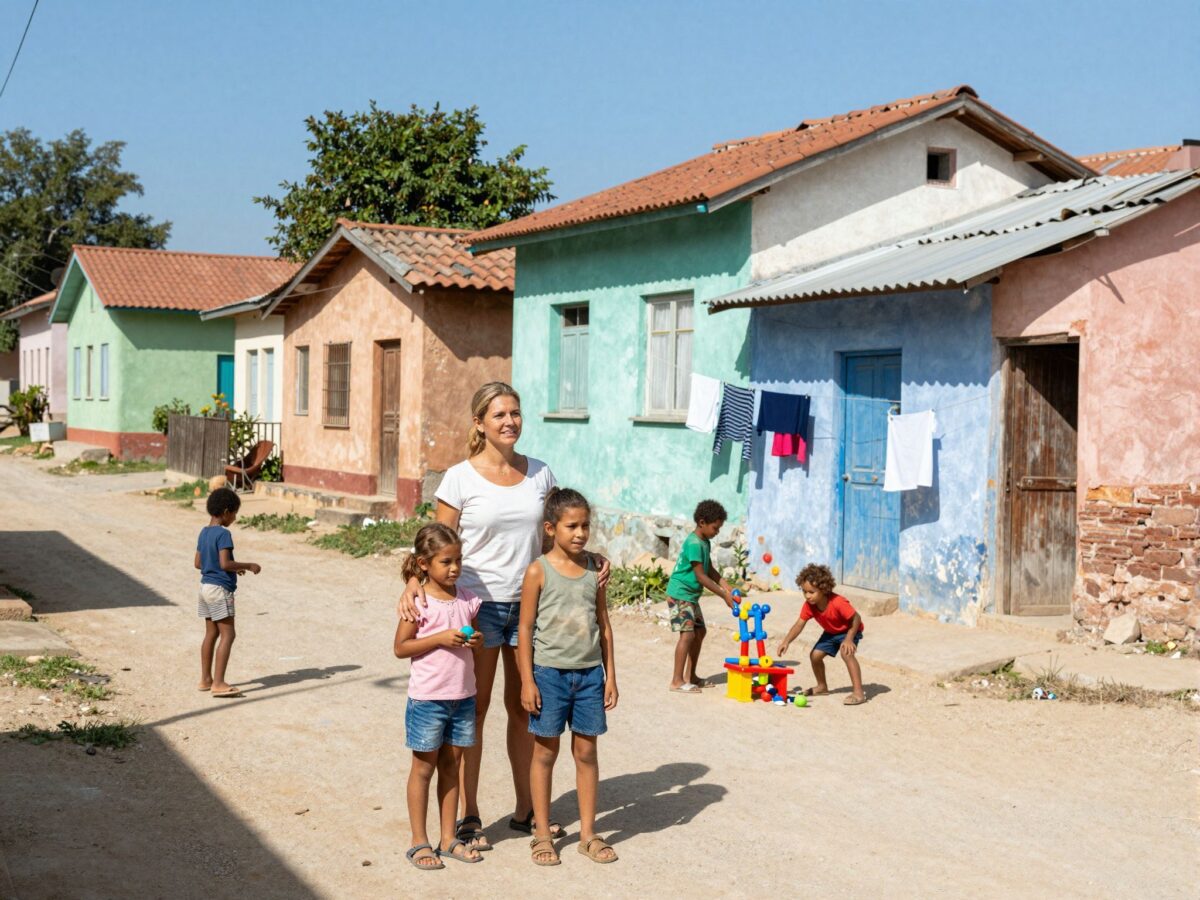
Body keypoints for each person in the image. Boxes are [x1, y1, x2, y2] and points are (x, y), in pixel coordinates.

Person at [397, 382, 608, 851]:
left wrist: (589, 554)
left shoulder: (540, 474)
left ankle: (524, 809)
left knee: (524, 708)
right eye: (499, 415)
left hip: (534, 606)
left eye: (515, 413)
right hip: (476, 607)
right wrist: (413, 581)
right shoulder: (459, 478)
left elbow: (556, 531)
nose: (510, 421)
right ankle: (470, 814)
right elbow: (435, 543)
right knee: (474, 709)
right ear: (479, 423)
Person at [518, 488, 618, 866]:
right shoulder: (537, 571)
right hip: (548, 675)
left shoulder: (595, 571)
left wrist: (610, 676)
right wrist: (527, 680)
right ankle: (542, 833)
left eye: (585, 525)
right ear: (550, 528)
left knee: (587, 752)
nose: (580, 533)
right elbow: (525, 630)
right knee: (545, 752)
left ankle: (588, 834)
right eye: (571, 526)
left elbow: (604, 626)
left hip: (590, 675)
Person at [393, 524, 485, 870]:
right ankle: (419, 841)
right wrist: (439, 639)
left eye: (458, 560)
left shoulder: (466, 598)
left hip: (462, 697)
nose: (454, 568)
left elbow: (477, 633)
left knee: (452, 766)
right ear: (424, 565)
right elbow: (401, 647)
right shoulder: (419, 601)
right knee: (423, 768)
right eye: (446, 561)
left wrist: (475, 639)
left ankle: (449, 838)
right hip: (429, 700)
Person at [193, 487, 260, 699]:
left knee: (211, 634)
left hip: (205, 588)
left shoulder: (204, 532)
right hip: (220, 590)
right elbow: (224, 562)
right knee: (228, 634)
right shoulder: (224, 534)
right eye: (234, 513)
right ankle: (219, 683)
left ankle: (205, 679)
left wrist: (231, 567)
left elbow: (198, 563)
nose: (235, 518)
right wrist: (249, 565)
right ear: (225, 511)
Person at [665, 500, 736, 693]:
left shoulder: (704, 542)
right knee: (687, 635)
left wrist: (725, 585)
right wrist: (723, 596)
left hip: (690, 596)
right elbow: (700, 576)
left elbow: (709, 569)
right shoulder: (694, 543)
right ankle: (677, 681)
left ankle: (691, 676)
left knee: (700, 632)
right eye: (715, 528)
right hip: (680, 594)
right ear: (702, 522)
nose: (717, 532)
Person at [776, 563, 866, 705]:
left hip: (849, 630)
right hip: (831, 632)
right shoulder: (809, 606)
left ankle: (859, 693)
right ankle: (822, 686)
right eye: (804, 591)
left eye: (812, 592)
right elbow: (799, 624)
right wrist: (786, 641)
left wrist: (849, 639)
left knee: (846, 653)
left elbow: (856, 618)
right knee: (815, 656)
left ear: (824, 589)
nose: (807, 596)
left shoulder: (838, 602)